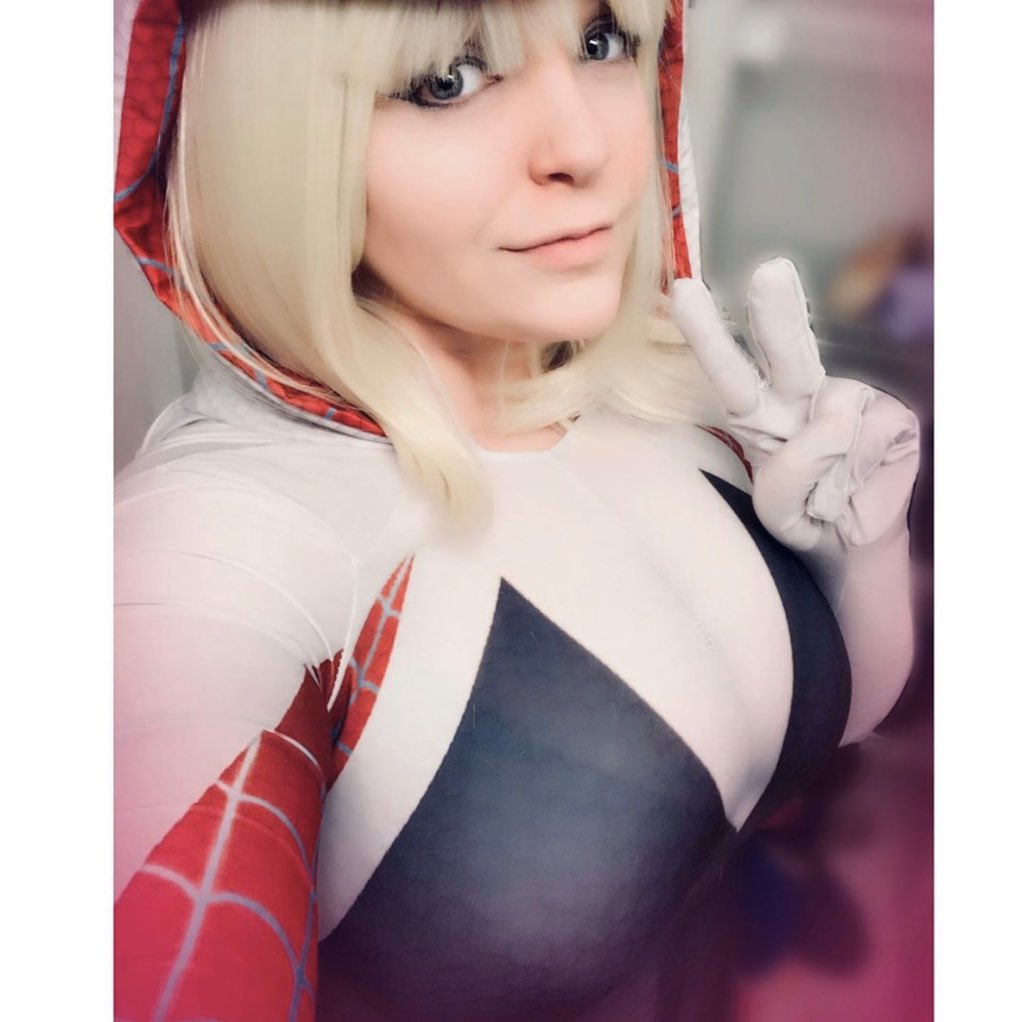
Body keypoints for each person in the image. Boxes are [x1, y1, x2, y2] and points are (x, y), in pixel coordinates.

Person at [113, 1, 920, 1019]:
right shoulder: (215, 550)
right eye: (446, 80)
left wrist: (858, 560)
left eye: (600, 41)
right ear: (271, 137)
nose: (585, 147)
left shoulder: (664, 383)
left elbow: (831, 724)